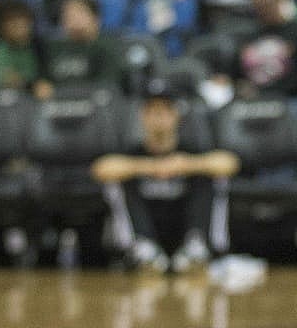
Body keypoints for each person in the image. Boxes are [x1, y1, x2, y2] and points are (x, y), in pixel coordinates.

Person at [92, 74, 238, 272]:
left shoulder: (191, 150)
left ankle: (196, 247)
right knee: (116, 179)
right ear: (143, 115)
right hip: (148, 227)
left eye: (165, 110)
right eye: (152, 110)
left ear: (176, 115)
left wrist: (187, 164)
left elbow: (229, 163)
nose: (159, 116)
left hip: (184, 226)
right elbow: (101, 168)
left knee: (213, 174)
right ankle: (143, 249)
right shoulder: (133, 152)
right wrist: (150, 167)